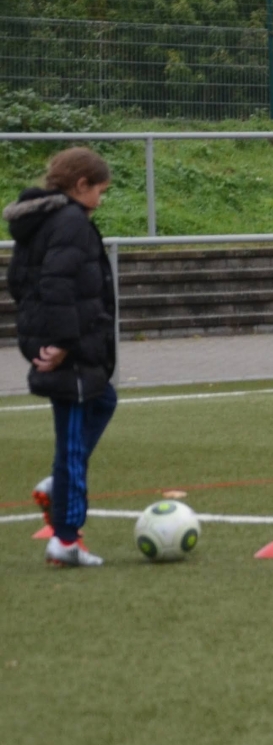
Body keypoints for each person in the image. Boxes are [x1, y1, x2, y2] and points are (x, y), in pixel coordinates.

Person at [8, 147, 118, 566]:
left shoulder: (44, 220)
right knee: (71, 444)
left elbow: (19, 281)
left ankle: (57, 486)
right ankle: (66, 539)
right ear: (81, 184)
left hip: (65, 343)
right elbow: (57, 283)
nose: (100, 200)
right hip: (69, 350)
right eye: (100, 191)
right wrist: (62, 342)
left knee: (104, 400)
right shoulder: (70, 221)